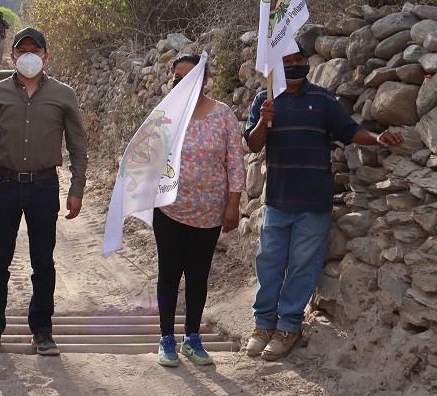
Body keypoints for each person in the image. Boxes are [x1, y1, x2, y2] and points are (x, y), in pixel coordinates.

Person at [243, 48, 402, 361]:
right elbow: (252, 143)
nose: (293, 66)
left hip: (314, 201)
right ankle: (262, 326)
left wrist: (377, 137)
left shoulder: (323, 100)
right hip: (277, 200)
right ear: (276, 66)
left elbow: (349, 130)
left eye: (298, 61)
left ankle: (288, 327)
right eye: (286, 63)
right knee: (269, 263)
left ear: (306, 63)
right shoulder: (265, 100)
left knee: (303, 265)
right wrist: (264, 121)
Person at [0, 27, 89, 356]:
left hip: (44, 186)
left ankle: (42, 331)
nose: (29, 56)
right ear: (13, 57)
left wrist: (76, 187)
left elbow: (78, 146)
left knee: (43, 262)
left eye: (36, 51)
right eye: (23, 51)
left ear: (46, 56)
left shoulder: (63, 95)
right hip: (4, 185)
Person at [153, 54, 245, 368]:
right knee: (168, 273)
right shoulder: (166, 115)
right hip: (169, 211)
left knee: (197, 275)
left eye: (190, 77)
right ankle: (166, 338)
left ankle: (192, 337)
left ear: (204, 80)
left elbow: (235, 161)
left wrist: (233, 203)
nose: (183, 82)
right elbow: (147, 157)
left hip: (208, 214)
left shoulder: (223, 115)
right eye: (178, 77)